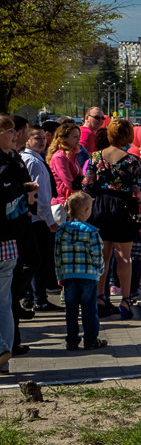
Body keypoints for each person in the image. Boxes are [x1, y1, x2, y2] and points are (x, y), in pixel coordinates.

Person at [83, 118, 141, 320]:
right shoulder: (132, 161)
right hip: (122, 209)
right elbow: (140, 191)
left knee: (103, 256)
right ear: (128, 136)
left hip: (100, 207)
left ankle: (101, 298)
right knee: (124, 257)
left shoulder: (95, 157)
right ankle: (126, 301)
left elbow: (86, 187)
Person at [0, 114, 38, 372]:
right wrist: (23, 189)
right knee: (3, 299)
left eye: (15, 130)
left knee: (4, 299)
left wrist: (25, 192)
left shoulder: (13, 158)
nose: (16, 135)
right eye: (10, 131)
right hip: (10, 232)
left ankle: (4, 349)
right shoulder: (12, 159)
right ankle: (4, 351)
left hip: (10, 234)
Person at [54, 192, 106, 351]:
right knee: (89, 309)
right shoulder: (91, 232)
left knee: (71, 310)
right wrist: (99, 271)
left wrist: (59, 275)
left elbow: (57, 254)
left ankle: (71, 340)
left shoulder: (61, 231)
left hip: (68, 276)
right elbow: (97, 254)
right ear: (86, 211)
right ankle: (90, 340)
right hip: (88, 276)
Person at [21, 124, 61, 311]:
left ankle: (32, 296)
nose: (42, 141)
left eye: (43, 138)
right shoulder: (33, 162)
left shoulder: (36, 159)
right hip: (38, 218)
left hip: (36, 217)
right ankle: (38, 298)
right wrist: (50, 220)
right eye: (36, 138)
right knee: (38, 259)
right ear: (27, 140)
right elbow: (41, 195)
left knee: (35, 258)